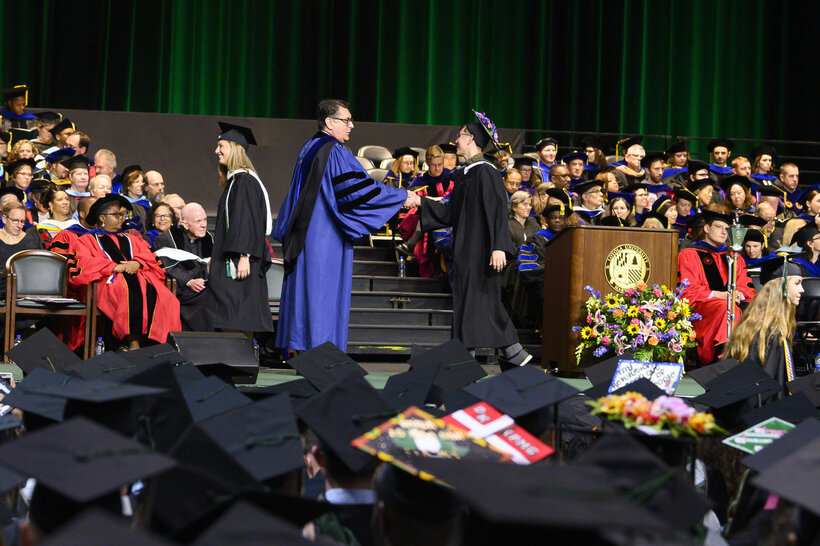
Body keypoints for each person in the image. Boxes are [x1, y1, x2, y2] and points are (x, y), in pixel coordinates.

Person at [273, 100, 412, 351]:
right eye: (347, 120)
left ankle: (303, 351)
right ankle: (322, 355)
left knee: (306, 295)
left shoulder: (310, 147)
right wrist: (402, 196)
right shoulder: (335, 151)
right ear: (329, 122)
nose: (352, 125)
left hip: (305, 234)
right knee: (321, 296)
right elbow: (357, 192)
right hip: (324, 236)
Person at [417, 113, 531, 365]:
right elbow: (450, 213)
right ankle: (508, 354)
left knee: (481, 302)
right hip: (467, 252)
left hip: (482, 252)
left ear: (470, 138)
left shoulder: (485, 172)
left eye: (459, 135)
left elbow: (498, 209)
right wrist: (420, 201)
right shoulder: (466, 173)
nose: (456, 141)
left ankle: (498, 355)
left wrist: (499, 246)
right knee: (470, 304)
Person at [69, 194, 180, 349]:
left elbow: (150, 256)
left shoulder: (132, 238)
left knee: (167, 298)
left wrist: (137, 262)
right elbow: (83, 264)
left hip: (139, 277)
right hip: (108, 282)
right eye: (116, 215)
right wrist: (112, 267)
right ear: (102, 217)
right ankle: (133, 343)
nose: (121, 218)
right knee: (126, 289)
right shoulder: (86, 240)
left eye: (122, 214)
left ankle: (161, 346)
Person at [206, 122, 277, 336]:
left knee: (237, 313)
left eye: (221, 146)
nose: (216, 151)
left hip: (239, 259)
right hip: (235, 257)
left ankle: (239, 364)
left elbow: (246, 220)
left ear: (235, 147)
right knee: (235, 313)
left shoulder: (244, 181)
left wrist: (244, 255)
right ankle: (236, 363)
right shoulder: (237, 180)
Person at [677, 208, 756, 364]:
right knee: (724, 306)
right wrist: (719, 295)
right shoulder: (689, 254)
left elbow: (745, 285)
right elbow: (688, 290)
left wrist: (739, 294)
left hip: (731, 305)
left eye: (727, 229)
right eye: (719, 227)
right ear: (707, 229)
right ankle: (724, 358)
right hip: (703, 310)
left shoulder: (734, 256)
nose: (724, 232)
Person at [725, 266, 803, 386]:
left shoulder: (762, 326)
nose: (802, 289)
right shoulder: (769, 334)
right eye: (797, 283)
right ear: (781, 287)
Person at [155, 202, 213, 331]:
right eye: (198, 221)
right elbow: (166, 267)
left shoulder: (207, 238)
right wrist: (188, 281)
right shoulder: (167, 239)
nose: (204, 225)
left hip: (204, 285)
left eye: (205, 220)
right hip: (181, 290)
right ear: (185, 223)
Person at [0, 202, 42, 299]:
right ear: (4, 219)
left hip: (25, 291)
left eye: (22, 221)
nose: (19, 225)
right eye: (15, 221)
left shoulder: (31, 240)